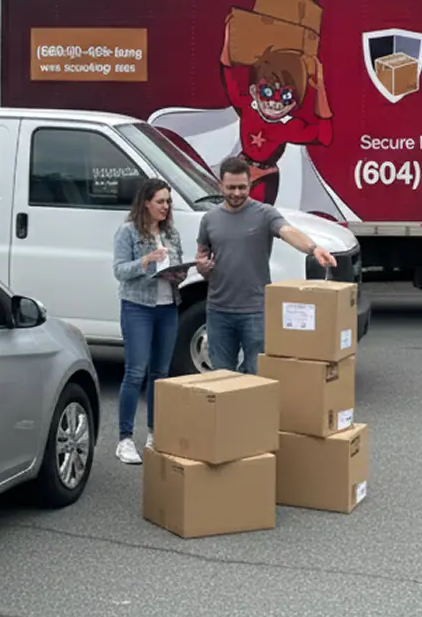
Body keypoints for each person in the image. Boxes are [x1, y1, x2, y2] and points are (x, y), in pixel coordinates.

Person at [195, 156, 337, 374]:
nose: (236, 193)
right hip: (218, 311)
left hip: (255, 311)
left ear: (250, 184)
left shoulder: (264, 213)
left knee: (256, 374)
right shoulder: (209, 219)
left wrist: (312, 248)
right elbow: (202, 257)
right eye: (231, 187)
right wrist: (202, 268)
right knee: (221, 377)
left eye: (242, 187)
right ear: (220, 185)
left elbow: (287, 231)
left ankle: (252, 410)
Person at [110, 178, 186, 465]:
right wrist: (146, 262)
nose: (165, 207)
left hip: (168, 306)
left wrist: (179, 273)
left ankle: (155, 432)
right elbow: (119, 270)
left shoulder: (172, 234)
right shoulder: (128, 232)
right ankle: (124, 439)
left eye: (168, 202)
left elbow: (176, 265)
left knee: (160, 373)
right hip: (138, 306)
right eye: (160, 201)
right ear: (146, 203)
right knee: (135, 371)